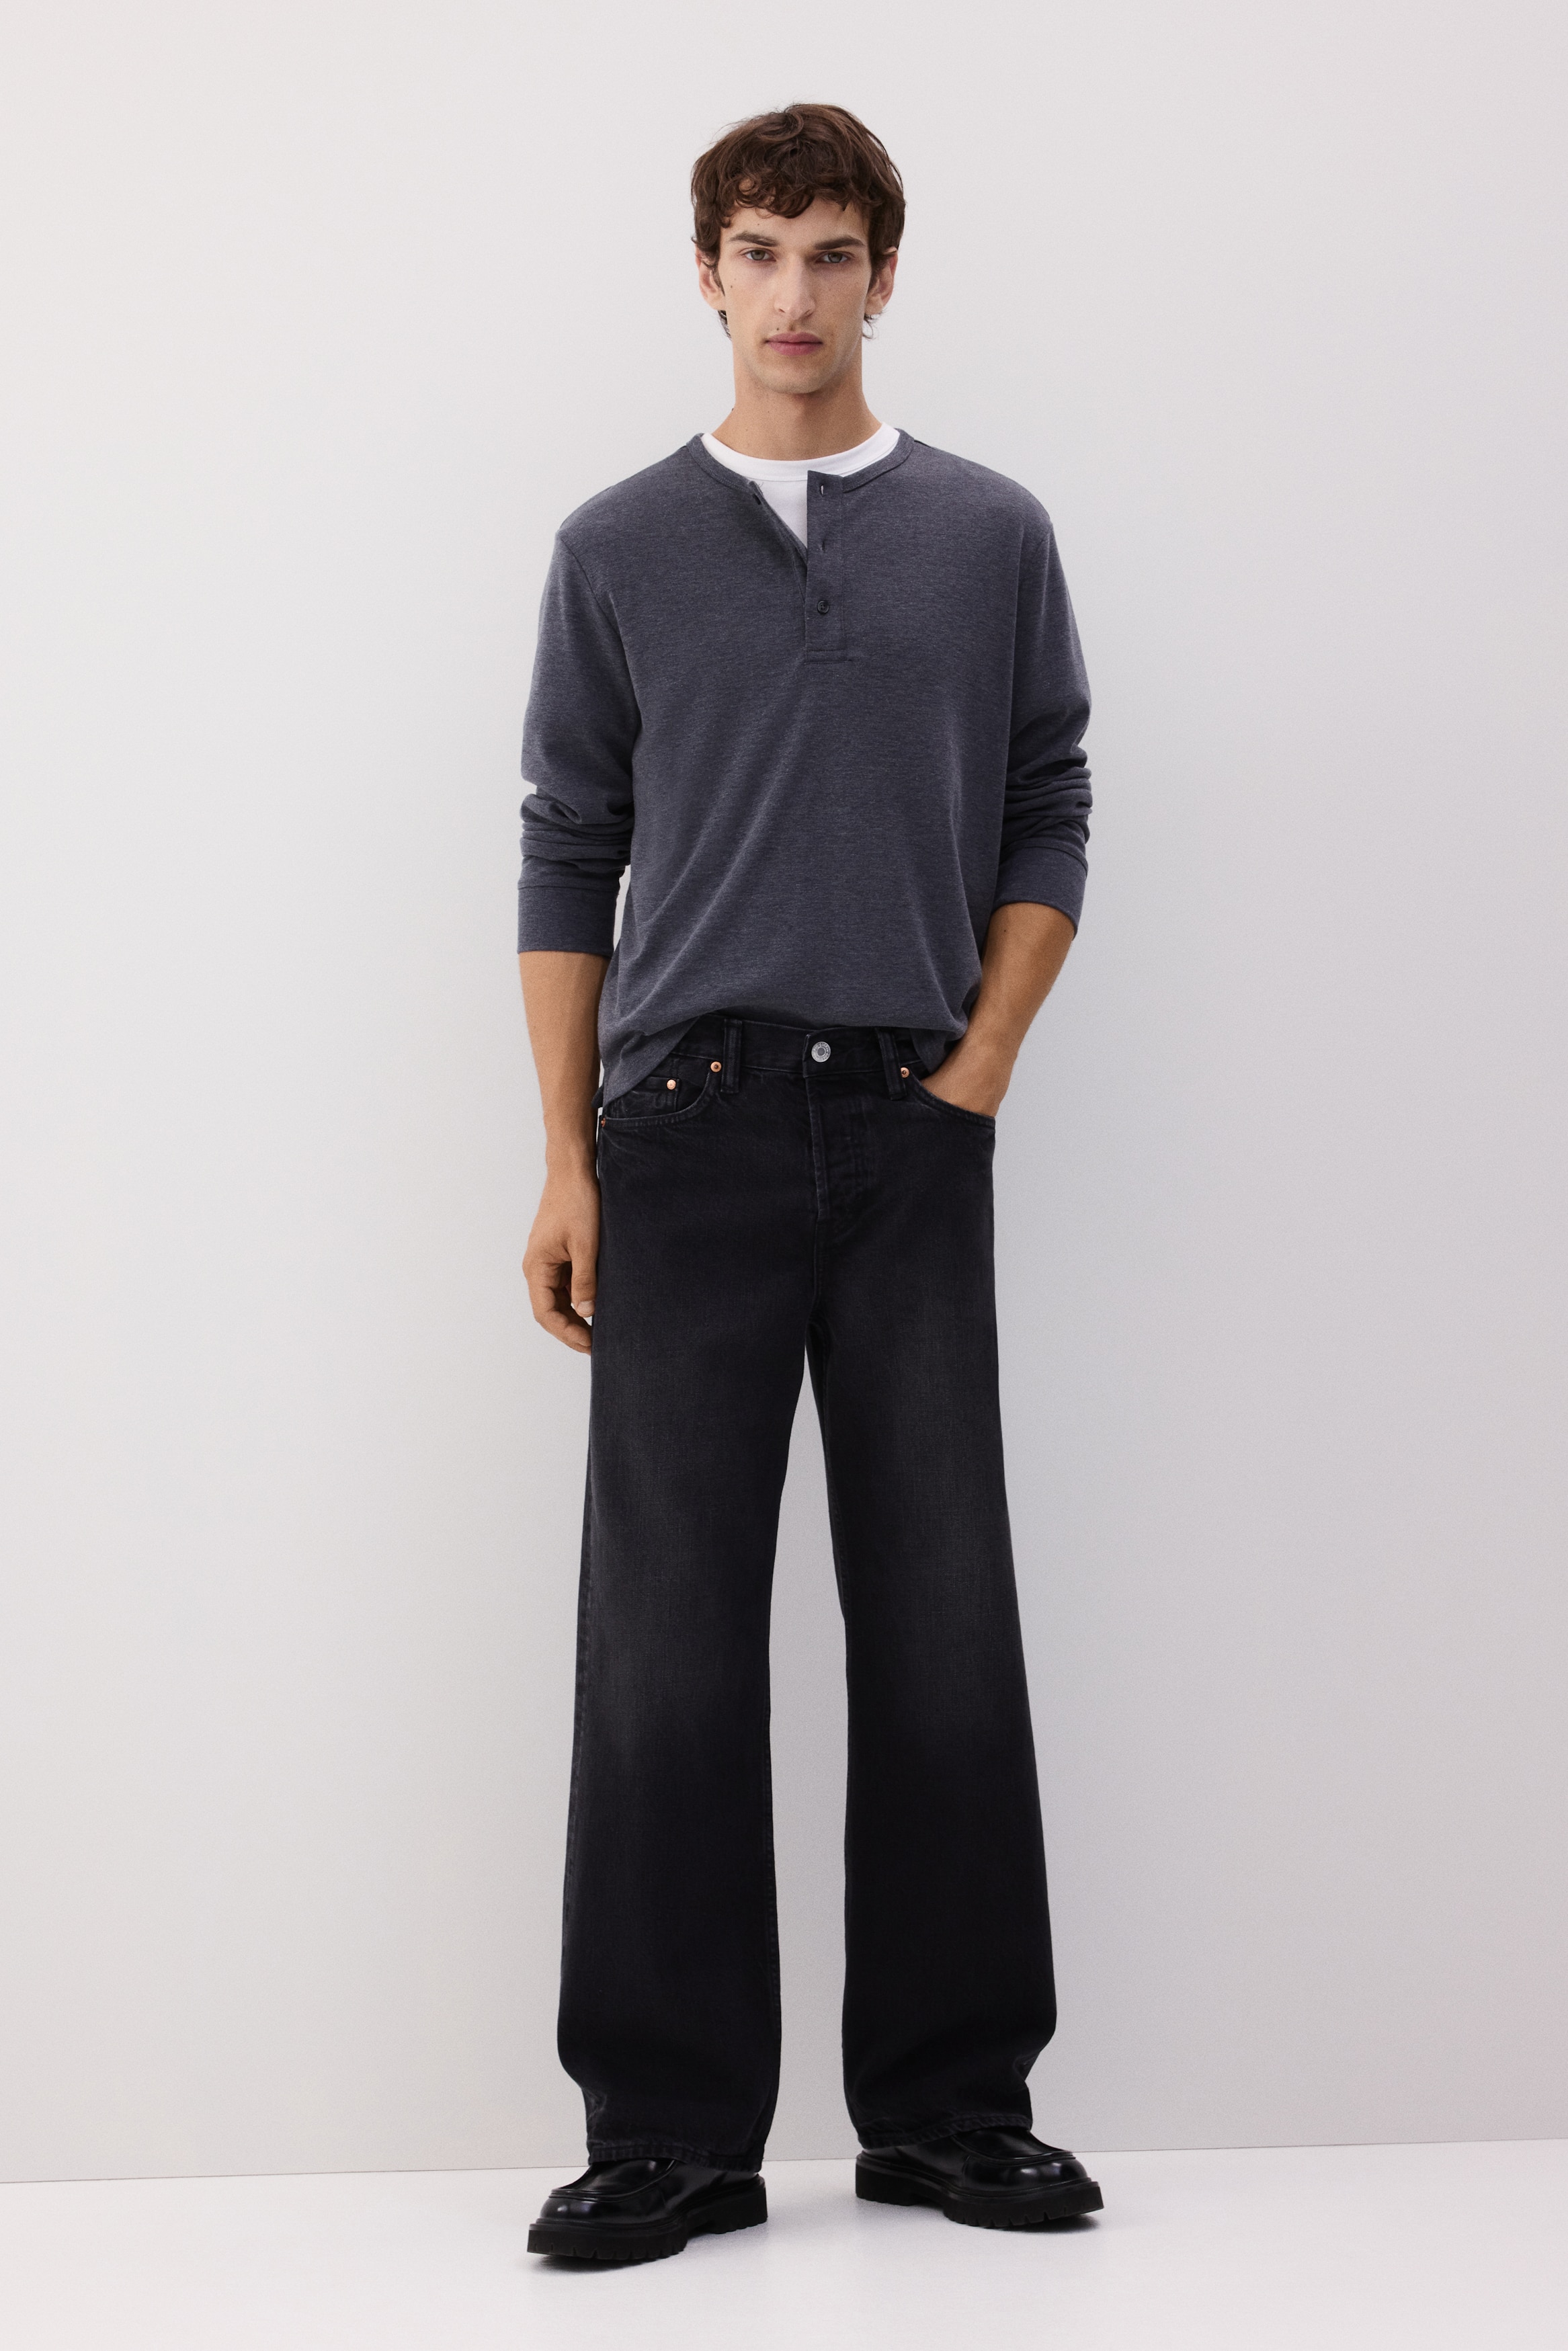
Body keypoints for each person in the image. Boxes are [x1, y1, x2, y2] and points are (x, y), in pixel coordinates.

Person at [516, 103, 1102, 2264]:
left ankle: (953, 2106)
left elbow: (1049, 800)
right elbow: (568, 849)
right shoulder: (615, 546)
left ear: (883, 276)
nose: (793, 293)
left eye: (831, 254)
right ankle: (668, 2129)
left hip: (912, 1126)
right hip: (685, 1129)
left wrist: (978, 1071)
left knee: (942, 1610)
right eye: (757, 252)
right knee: (666, 1634)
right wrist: (565, 1159)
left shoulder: (988, 534)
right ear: (707, 273)